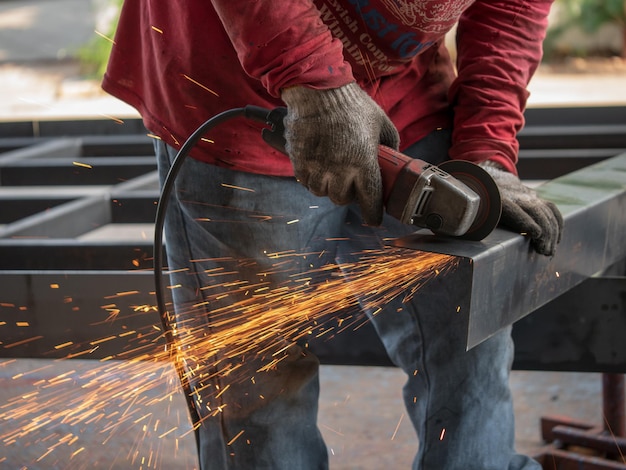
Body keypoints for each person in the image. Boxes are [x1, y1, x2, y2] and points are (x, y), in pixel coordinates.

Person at [103, 1, 563, 468]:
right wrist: (312, 81)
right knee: (259, 374)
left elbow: (510, 12)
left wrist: (487, 154)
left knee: (470, 328)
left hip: (405, 88)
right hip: (234, 79)